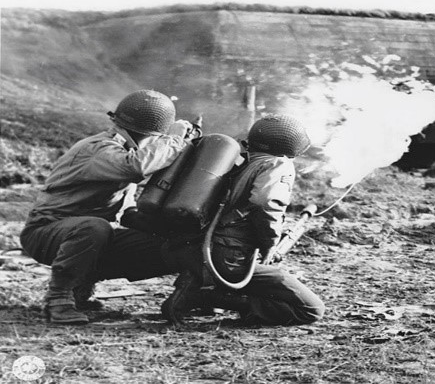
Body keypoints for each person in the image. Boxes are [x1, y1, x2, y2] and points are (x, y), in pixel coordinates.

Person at [20, 89, 198, 324]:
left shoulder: (125, 150)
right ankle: (59, 299)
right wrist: (174, 138)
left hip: (84, 234)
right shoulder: (98, 149)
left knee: (167, 245)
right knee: (94, 228)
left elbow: (125, 211)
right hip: (46, 232)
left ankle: (79, 289)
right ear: (152, 134)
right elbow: (135, 167)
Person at [160, 114, 325, 326]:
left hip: (194, 249)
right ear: (291, 145)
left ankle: (198, 285)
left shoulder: (236, 159)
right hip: (228, 259)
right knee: (310, 309)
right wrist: (270, 244)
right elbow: (265, 202)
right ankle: (203, 296)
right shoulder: (277, 164)